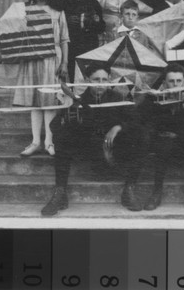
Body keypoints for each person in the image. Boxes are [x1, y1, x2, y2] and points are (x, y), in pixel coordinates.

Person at [41, 64, 148, 215]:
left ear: (109, 80)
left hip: (113, 147)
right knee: (62, 137)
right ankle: (60, 193)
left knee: (140, 135)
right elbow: (55, 125)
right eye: (96, 79)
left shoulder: (117, 97)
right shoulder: (78, 99)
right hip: (89, 148)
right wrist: (71, 117)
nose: (100, 83)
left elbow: (135, 120)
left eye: (104, 79)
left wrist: (118, 127)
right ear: (87, 80)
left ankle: (129, 190)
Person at [137, 63, 184, 212]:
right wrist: (155, 101)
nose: (175, 84)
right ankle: (156, 193)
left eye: (179, 81)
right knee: (164, 145)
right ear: (164, 83)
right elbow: (144, 119)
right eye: (171, 81)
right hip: (163, 141)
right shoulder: (155, 99)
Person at [15, 0, 69, 157]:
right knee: (35, 100)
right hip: (32, 58)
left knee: (49, 100)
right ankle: (35, 141)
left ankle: (49, 142)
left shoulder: (58, 12)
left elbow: (64, 40)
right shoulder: (25, 10)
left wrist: (65, 63)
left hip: (52, 59)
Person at [63, 0, 105, 81]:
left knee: (88, 76)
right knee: (72, 77)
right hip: (72, 47)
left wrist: (97, 22)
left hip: (89, 46)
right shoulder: (65, 0)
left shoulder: (93, 2)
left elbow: (102, 27)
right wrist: (68, 20)